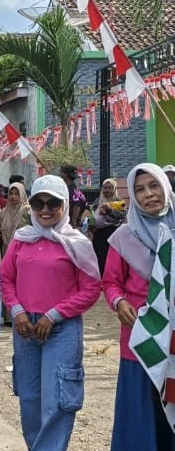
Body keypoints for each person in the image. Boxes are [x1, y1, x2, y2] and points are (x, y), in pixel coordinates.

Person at [0, 175, 101, 451]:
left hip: (62, 329)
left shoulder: (76, 243)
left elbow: (91, 289)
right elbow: (6, 279)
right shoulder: (21, 240)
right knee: (30, 400)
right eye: (38, 203)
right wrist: (17, 311)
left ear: (65, 205)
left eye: (53, 203)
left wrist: (54, 314)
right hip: (25, 329)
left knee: (58, 400)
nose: (45, 210)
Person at [102, 163, 175, 450]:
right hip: (141, 337)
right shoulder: (124, 236)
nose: (149, 194)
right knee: (140, 413)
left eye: (154, 186)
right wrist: (119, 302)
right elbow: (110, 283)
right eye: (140, 189)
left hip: (173, 339)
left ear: (165, 188)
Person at [91, 178, 126, 275]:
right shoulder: (98, 201)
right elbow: (92, 214)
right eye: (105, 188)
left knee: (113, 258)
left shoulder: (119, 201)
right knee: (100, 257)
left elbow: (122, 215)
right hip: (99, 233)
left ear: (114, 189)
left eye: (109, 188)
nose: (107, 190)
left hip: (113, 233)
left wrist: (110, 210)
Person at [0, 182, 31, 257]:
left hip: (22, 249)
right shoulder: (4, 212)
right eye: (11, 194)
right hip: (6, 249)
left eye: (17, 194)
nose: (13, 196)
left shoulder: (27, 210)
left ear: (22, 194)